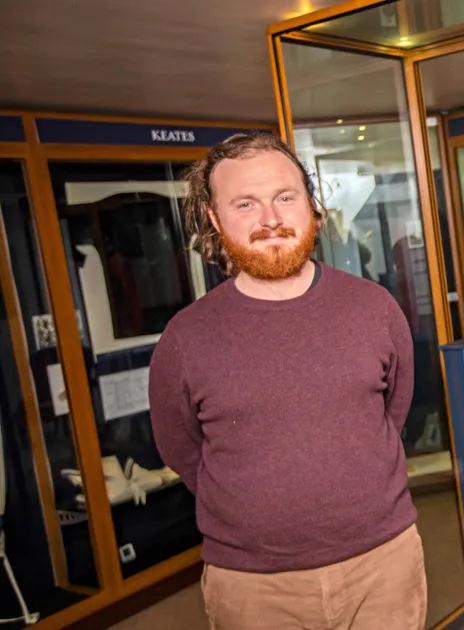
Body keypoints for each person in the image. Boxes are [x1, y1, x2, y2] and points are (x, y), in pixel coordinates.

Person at [148, 132, 426, 629]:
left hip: (384, 564)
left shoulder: (374, 307)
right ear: (215, 219)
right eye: (245, 203)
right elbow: (183, 450)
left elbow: (392, 413)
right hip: (254, 585)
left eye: (285, 197)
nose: (270, 219)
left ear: (311, 207)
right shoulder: (186, 338)